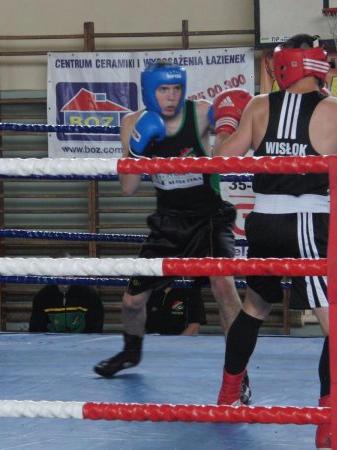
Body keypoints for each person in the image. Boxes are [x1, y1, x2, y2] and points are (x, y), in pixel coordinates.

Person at [212, 34, 337, 449]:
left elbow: (221, 157)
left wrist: (227, 125)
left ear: (281, 66)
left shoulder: (257, 106)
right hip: (308, 222)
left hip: (262, 221)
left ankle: (227, 399)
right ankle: (331, 427)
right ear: (320, 66)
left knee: (255, 306)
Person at [93, 61, 250, 403]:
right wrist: (137, 147)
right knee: (132, 301)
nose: (171, 96)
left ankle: (238, 374)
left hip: (210, 217)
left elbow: (235, 143)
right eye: (163, 89)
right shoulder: (132, 123)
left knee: (224, 286)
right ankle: (131, 352)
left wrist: (232, 122)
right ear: (149, 91)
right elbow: (128, 188)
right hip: (168, 222)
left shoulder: (202, 113)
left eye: (176, 89)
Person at [29, 251, 104, 333]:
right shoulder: (42, 297)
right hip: (52, 341)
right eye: (59, 269)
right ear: (52, 272)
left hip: (82, 341)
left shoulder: (90, 295)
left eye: (67, 268)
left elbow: (95, 329)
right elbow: (36, 330)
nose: (64, 274)